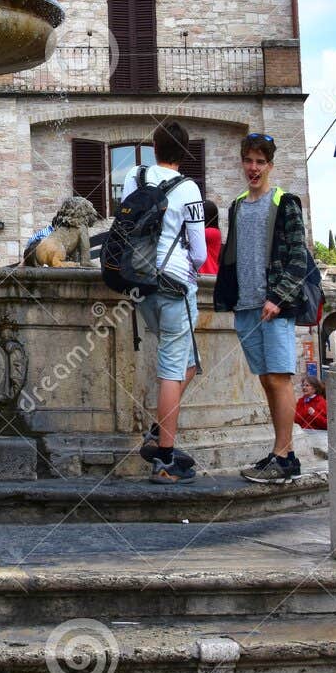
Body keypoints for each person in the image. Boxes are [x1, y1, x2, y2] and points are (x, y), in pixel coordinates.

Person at [213, 131, 310, 484]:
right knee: (267, 381)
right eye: (248, 161)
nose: (253, 168)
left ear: (270, 165)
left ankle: (284, 456)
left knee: (280, 378)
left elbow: (299, 258)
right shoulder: (237, 205)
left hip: (275, 305)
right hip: (246, 305)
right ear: (242, 163)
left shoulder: (285, 202)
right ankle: (281, 452)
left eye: (260, 162)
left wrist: (279, 297)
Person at [120, 121, 207, 484]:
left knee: (189, 362)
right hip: (174, 284)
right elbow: (200, 253)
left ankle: (159, 430)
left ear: (154, 147)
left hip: (139, 284)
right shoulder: (189, 189)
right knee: (173, 367)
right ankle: (165, 459)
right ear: (183, 153)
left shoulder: (133, 177)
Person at [198, 200, 221, 277]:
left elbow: (194, 233)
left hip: (208, 273)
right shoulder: (213, 231)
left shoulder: (212, 232)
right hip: (203, 274)